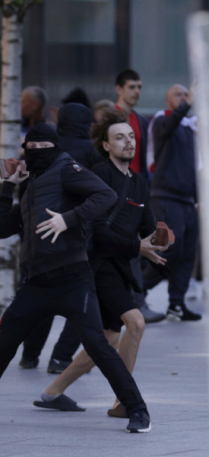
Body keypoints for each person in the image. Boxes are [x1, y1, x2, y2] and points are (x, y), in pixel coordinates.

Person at [0, 123, 152, 433]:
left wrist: (68, 220)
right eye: (34, 149)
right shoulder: (32, 185)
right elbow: (3, 227)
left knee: (98, 344)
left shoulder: (66, 168)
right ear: (26, 151)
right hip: (37, 283)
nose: (40, 153)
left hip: (73, 278)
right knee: (4, 342)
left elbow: (105, 195)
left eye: (46, 147)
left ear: (55, 148)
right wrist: (6, 187)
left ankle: (138, 411)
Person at [35, 111, 167, 419]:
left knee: (108, 339)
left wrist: (160, 241)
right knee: (135, 323)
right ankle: (124, 402)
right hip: (96, 265)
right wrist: (138, 247)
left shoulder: (138, 184)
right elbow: (99, 231)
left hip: (119, 268)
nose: (128, 142)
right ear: (105, 145)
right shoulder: (98, 175)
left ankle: (52, 392)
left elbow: (146, 227)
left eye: (131, 136)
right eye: (119, 137)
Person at [19, 102, 105, 373]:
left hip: (37, 242)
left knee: (40, 307)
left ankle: (30, 356)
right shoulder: (84, 152)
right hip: (76, 240)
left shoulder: (44, 149)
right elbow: (102, 193)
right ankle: (60, 358)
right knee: (81, 310)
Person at [142, 84, 201, 321]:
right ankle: (138, 288)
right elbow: (172, 122)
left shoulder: (190, 129)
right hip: (165, 195)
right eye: (178, 94)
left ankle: (176, 304)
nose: (184, 98)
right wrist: (188, 104)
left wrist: (199, 199)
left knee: (187, 253)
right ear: (168, 101)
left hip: (187, 200)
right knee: (171, 248)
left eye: (186, 94)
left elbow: (195, 168)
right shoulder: (162, 121)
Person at [115, 69, 164, 324]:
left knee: (139, 245)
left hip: (135, 190)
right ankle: (132, 302)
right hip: (114, 193)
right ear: (119, 89)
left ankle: (137, 300)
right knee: (127, 248)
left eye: (140, 87)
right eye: (132, 87)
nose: (137, 92)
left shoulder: (141, 120)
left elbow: (142, 159)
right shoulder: (112, 117)